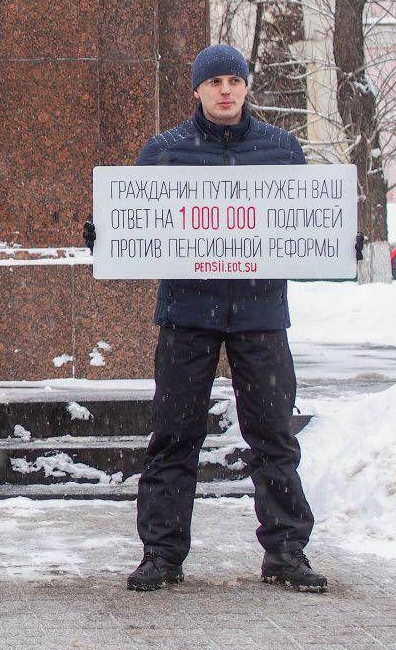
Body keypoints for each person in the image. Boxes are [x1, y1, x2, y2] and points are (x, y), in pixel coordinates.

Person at [85, 44, 340, 593]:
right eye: (215, 82)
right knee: (175, 434)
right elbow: (133, 218)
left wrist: (338, 241)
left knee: (272, 432)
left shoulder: (280, 148)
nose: (226, 90)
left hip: (260, 313)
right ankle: (162, 553)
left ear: (246, 87)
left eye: (235, 80)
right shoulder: (166, 151)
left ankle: (286, 551)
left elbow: (307, 221)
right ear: (196, 90)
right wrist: (104, 233)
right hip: (188, 313)